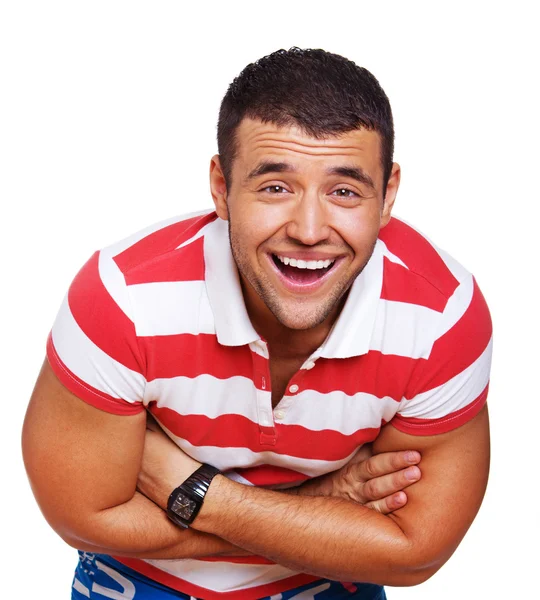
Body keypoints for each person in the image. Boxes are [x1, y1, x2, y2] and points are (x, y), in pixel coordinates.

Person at [22, 48, 492, 600]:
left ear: (387, 194)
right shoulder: (124, 296)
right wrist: (319, 507)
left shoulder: (440, 316)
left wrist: (196, 493)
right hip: (140, 579)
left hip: (329, 586)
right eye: (275, 187)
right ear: (221, 188)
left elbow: (413, 554)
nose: (310, 229)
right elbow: (84, 517)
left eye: (344, 191)